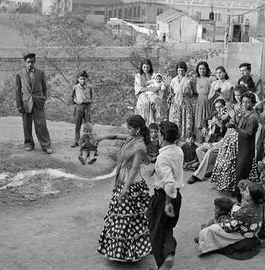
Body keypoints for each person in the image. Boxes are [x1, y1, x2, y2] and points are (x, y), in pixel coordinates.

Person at [98, 114, 152, 262]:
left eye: (129, 127)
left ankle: (128, 252)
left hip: (130, 184)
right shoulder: (131, 138)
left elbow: (134, 169)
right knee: (126, 217)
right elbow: (116, 135)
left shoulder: (139, 147)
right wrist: (102, 138)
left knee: (127, 218)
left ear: (137, 129)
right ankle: (124, 250)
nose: (126, 129)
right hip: (123, 180)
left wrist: (125, 188)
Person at [148, 121, 184, 270]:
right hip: (177, 196)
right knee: (167, 228)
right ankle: (169, 254)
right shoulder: (178, 151)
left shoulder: (163, 157)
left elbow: (169, 182)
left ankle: (161, 264)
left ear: (162, 136)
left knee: (155, 231)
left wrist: (168, 202)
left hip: (164, 197)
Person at [211, 89, 260, 198]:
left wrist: (235, 127)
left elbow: (247, 134)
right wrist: (231, 121)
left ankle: (240, 198)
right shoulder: (245, 113)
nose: (244, 104)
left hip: (247, 148)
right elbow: (238, 124)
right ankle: (238, 195)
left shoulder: (253, 117)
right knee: (239, 172)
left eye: (248, 102)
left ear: (253, 103)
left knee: (242, 173)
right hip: (241, 146)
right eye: (243, 102)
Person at [197, 181, 265, 256]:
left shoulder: (245, 212)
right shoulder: (256, 206)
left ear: (252, 196)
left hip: (243, 234)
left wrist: (220, 224)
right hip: (249, 230)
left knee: (211, 229)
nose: (243, 192)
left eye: (246, 191)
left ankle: (205, 246)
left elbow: (230, 227)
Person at [15, 53, 52, 154]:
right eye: (28, 62)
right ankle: (28, 143)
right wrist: (19, 104)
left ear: (34, 62)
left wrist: (43, 98)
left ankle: (46, 145)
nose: (30, 64)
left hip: (38, 102)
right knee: (26, 125)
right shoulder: (19, 74)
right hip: (26, 103)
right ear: (25, 62)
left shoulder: (40, 73)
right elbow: (18, 91)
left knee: (41, 124)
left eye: (32, 62)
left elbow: (44, 87)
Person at [187, 98, 228, 184]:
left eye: (220, 107)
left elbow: (226, 133)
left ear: (224, 106)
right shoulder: (215, 114)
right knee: (198, 150)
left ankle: (197, 175)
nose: (218, 109)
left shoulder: (227, 116)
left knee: (209, 151)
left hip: (221, 141)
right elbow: (204, 120)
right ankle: (208, 171)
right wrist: (205, 127)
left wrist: (221, 126)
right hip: (211, 139)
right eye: (217, 107)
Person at [168, 61, 195, 140]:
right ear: (177, 70)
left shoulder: (188, 80)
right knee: (176, 120)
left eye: (182, 70)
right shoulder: (173, 80)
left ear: (185, 70)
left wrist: (187, 94)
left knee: (186, 121)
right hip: (176, 102)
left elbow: (192, 93)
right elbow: (171, 91)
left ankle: (185, 138)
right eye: (179, 70)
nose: (180, 72)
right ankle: (175, 137)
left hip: (185, 102)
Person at [71, 70, 94, 147]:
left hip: (87, 107)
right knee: (78, 125)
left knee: (88, 125)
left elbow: (91, 96)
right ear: (78, 79)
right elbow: (72, 96)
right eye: (81, 79)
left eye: (84, 79)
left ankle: (88, 142)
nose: (83, 81)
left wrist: (89, 104)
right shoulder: (75, 87)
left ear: (86, 79)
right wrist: (75, 105)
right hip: (79, 107)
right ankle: (76, 140)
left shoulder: (89, 87)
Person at [194, 61, 213, 142]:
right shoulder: (196, 80)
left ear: (207, 69)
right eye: (200, 69)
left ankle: (207, 139)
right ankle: (199, 140)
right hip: (199, 102)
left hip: (207, 101)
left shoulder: (210, 79)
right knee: (198, 120)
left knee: (206, 119)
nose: (202, 70)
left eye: (204, 69)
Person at [135, 58, 157, 124]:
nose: (146, 69)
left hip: (153, 97)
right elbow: (139, 89)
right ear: (141, 67)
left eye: (147, 67)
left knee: (152, 116)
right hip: (142, 98)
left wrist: (149, 89)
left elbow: (156, 87)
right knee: (142, 115)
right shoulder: (138, 76)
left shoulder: (154, 76)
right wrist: (150, 88)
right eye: (144, 67)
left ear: (150, 67)